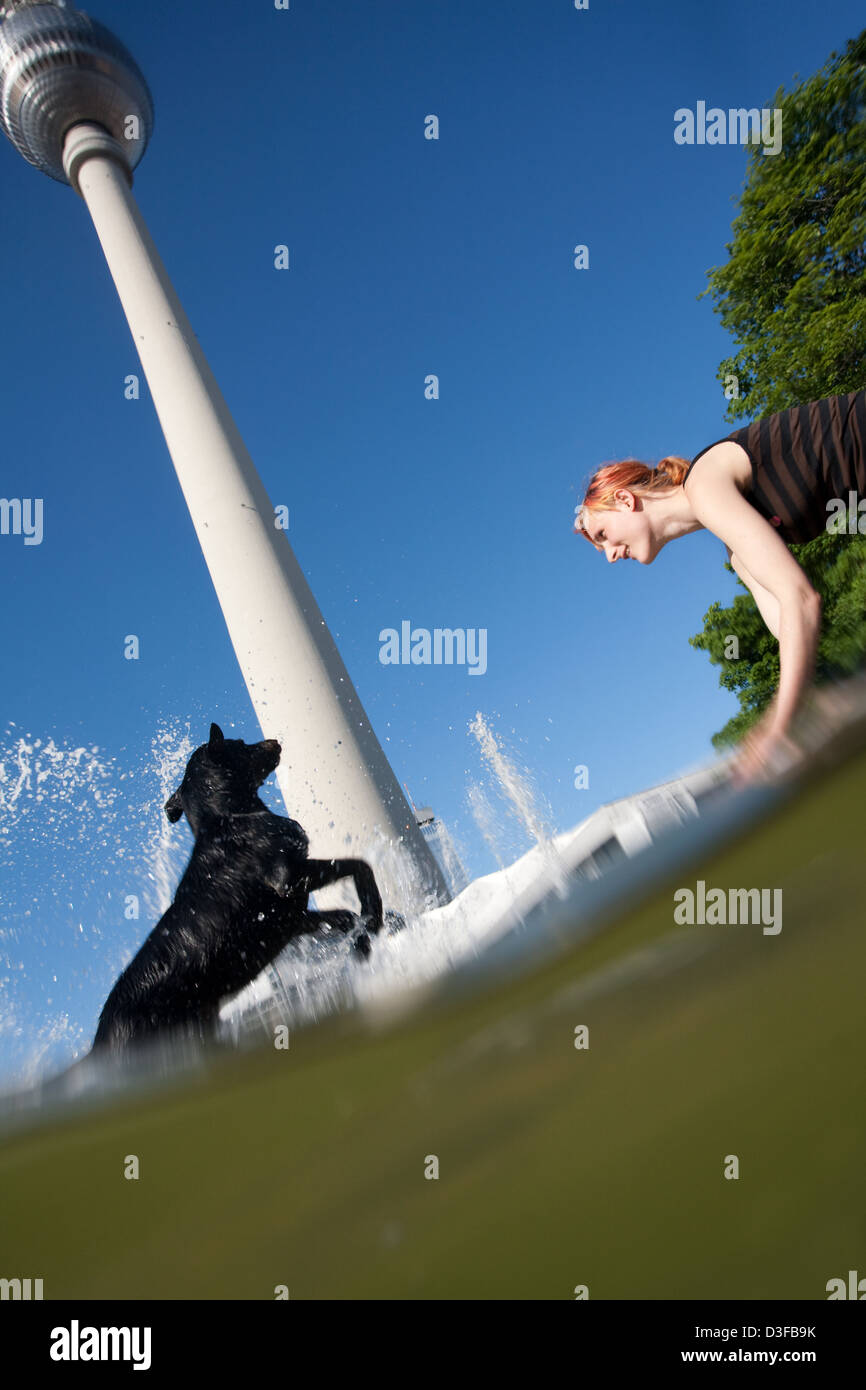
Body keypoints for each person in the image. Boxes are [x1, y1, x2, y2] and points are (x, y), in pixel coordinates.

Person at [575, 389, 866, 782]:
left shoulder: (706, 484)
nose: (610, 554)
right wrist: (817, 699)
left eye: (603, 534)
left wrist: (778, 727)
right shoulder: (737, 550)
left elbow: (801, 599)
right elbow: (789, 626)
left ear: (625, 500)